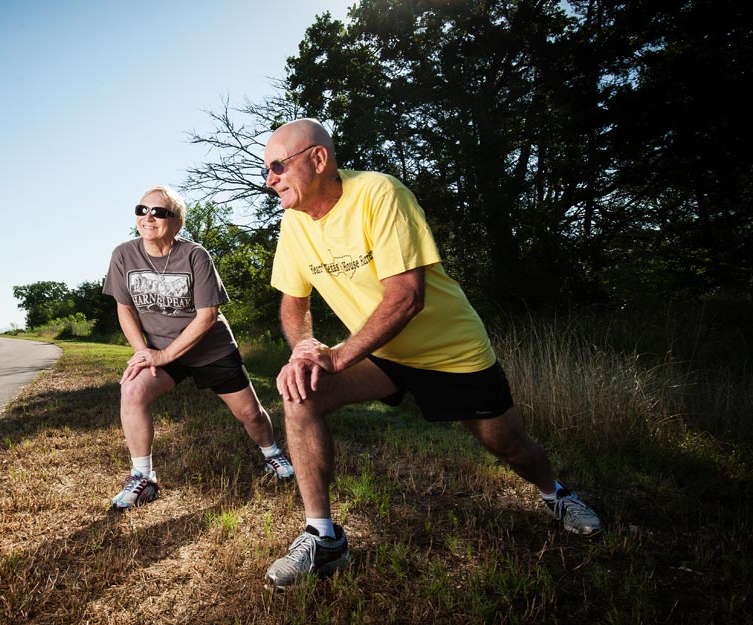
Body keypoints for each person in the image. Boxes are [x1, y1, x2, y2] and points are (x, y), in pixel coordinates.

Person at [260, 119, 602, 589]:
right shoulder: (293, 222)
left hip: (450, 351)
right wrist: (304, 346)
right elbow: (293, 301)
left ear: (318, 160)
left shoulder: (380, 194)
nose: (270, 179)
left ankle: (556, 494)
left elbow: (406, 297)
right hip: (381, 351)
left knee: (509, 445)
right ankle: (324, 539)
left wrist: (336, 357)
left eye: (278, 166)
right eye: (266, 170)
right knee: (301, 394)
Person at [102, 185, 294, 510]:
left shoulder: (195, 255)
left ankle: (272, 453)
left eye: (159, 212)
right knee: (132, 390)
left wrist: (162, 355)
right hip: (162, 351)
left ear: (177, 222)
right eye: (142, 210)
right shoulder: (124, 254)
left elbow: (207, 316)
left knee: (250, 415)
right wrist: (143, 353)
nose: (148, 218)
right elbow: (125, 308)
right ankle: (144, 478)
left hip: (210, 350)